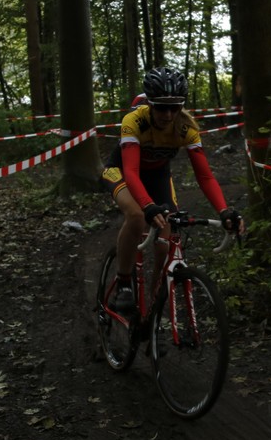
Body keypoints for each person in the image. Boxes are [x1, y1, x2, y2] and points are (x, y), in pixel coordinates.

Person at [102, 67, 244, 313]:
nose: (168, 115)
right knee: (136, 216)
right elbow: (132, 173)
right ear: (150, 103)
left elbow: (204, 176)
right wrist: (147, 205)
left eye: (175, 107)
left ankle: (153, 305)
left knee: (164, 243)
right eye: (161, 107)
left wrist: (224, 211)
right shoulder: (134, 121)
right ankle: (123, 283)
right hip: (121, 170)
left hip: (158, 175)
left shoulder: (186, 128)